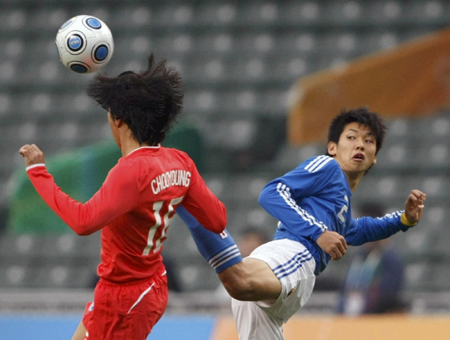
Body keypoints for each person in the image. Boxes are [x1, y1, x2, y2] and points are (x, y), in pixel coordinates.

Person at [19, 54, 230, 340]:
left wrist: (38, 172)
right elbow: (217, 221)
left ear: (118, 120)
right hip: (147, 284)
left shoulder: (130, 171)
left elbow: (83, 222)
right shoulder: (180, 162)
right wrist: (172, 191)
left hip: (124, 297)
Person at [176, 107, 426, 340]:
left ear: (374, 159)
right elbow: (272, 192)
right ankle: (188, 192)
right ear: (332, 148)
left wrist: (404, 219)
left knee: (239, 282)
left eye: (369, 140)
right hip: (291, 255)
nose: (360, 143)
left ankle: (186, 195)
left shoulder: (341, 205)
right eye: (351, 137)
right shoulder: (328, 167)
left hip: (295, 268)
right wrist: (318, 233)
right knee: (238, 282)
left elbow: (358, 230)